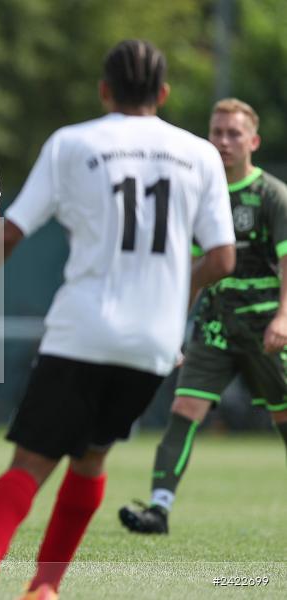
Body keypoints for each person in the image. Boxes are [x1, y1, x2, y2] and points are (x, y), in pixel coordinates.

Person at [0, 40, 236, 600]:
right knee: (93, 458)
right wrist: (174, 296)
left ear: (104, 91)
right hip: (151, 342)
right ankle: (46, 586)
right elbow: (222, 258)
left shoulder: (74, 143)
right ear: (164, 94)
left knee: (30, 461)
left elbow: (15, 229)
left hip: (82, 331)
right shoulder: (200, 154)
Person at [119, 98, 287, 536]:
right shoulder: (199, 194)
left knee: (284, 416)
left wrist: (283, 319)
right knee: (184, 408)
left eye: (234, 133)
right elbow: (192, 273)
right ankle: (158, 508)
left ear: (253, 140)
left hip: (266, 325)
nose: (224, 141)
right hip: (214, 325)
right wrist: (172, 329)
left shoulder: (272, 195)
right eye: (217, 132)